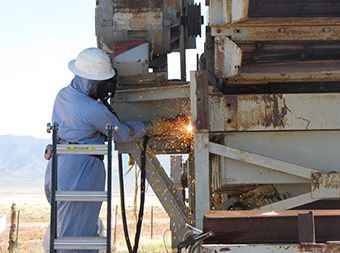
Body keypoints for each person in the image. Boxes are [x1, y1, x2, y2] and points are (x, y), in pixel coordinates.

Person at [44, 47, 152, 253]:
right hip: (81, 172)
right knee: (75, 237)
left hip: (59, 166)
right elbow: (122, 134)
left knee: (67, 228)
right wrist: (147, 126)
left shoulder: (64, 95)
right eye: (101, 83)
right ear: (92, 81)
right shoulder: (93, 109)